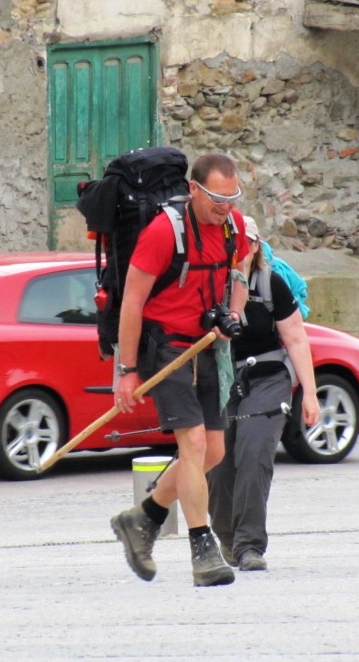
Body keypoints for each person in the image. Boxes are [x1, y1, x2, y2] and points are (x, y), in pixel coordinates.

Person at [110, 152, 250, 587]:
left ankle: (143, 517)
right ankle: (201, 548)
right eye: (215, 198)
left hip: (207, 345)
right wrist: (126, 370)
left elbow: (240, 270)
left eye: (232, 197)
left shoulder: (234, 227)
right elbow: (132, 301)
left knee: (214, 451)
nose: (224, 206)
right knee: (191, 445)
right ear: (193, 189)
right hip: (165, 346)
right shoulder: (161, 232)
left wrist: (233, 316)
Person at [207, 216, 320, 571]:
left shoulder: (271, 283)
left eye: (248, 244)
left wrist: (311, 396)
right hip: (222, 380)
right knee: (218, 464)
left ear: (256, 246)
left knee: (254, 453)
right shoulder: (211, 285)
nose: (241, 252)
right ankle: (226, 537)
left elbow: (296, 339)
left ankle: (250, 546)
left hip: (268, 377)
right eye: (234, 244)